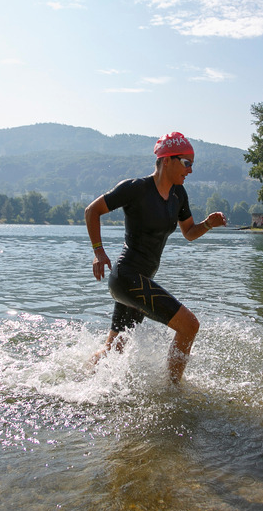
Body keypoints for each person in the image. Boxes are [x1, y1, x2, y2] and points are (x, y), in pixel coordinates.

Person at [84, 131, 227, 383]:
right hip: (127, 278)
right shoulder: (136, 189)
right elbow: (92, 210)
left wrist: (207, 224)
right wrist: (98, 251)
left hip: (140, 280)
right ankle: (173, 392)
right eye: (186, 163)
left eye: (192, 164)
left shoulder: (178, 195)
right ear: (167, 160)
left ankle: (75, 381)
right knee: (189, 325)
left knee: (114, 348)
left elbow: (189, 233)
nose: (190, 170)